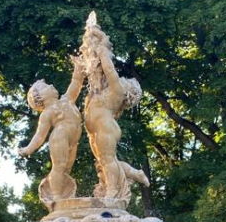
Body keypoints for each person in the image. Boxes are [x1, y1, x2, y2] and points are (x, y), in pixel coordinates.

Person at [82, 26, 148, 201]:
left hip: (105, 127)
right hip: (94, 129)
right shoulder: (103, 90)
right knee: (104, 162)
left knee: (107, 160)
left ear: (129, 92)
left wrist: (103, 52)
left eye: (128, 82)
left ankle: (112, 192)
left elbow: (110, 70)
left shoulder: (117, 92)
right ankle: (135, 173)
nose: (124, 80)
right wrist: (98, 41)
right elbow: (97, 73)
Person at [19, 56, 85, 207]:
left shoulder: (66, 100)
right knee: (59, 166)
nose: (51, 85)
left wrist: (79, 68)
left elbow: (76, 83)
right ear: (40, 96)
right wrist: (28, 149)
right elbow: (40, 136)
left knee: (66, 169)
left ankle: (63, 194)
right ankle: (56, 198)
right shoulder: (47, 113)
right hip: (60, 138)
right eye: (46, 86)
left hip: (73, 141)